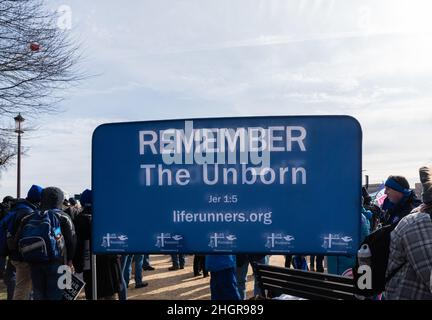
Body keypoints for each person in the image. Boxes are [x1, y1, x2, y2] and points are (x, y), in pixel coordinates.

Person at [385, 166, 432, 300]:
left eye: (389, 188)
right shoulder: (420, 221)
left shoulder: (409, 209)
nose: (386, 191)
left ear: (398, 191)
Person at [27, 187, 76, 300]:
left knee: (38, 294)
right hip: (60, 262)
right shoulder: (63, 216)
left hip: (35, 261)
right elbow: (71, 240)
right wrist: (71, 260)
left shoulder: (32, 216)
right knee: (58, 295)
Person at [73, 189, 122, 300]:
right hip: (109, 261)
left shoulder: (79, 220)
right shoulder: (106, 216)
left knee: (94, 293)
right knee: (110, 294)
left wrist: (78, 266)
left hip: (89, 264)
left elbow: (78, 245)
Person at [7, 185, 43, 300]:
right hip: (24, 254)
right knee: (23, 287)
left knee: (22, 286)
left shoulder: (18, 208)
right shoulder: (29, 212)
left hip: (15, 253)